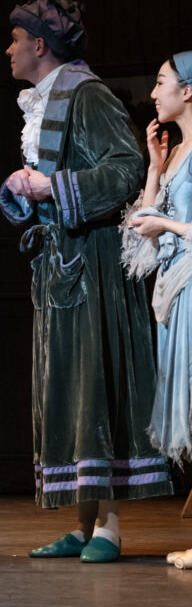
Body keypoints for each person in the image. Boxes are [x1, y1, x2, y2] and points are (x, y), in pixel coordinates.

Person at [0, 0, 172, 563]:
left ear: (40, 45)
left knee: (96, 387)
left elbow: (125, 170)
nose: (9, 49)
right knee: (69, 390)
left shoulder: (88, 94)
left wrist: (53, 188)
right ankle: (81, 521)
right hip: (59, 267)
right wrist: (25, 190)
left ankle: (110, 527)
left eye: (16, 39)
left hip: (93, 265)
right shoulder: (46, 101)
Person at [123, 51, 192, 570]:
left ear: (187, 91)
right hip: (172, 293)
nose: (154, 92)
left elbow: (163, 227)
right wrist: (153, 167)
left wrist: (166, 226)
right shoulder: (178, 153)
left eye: (162, 82)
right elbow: (139, 235)